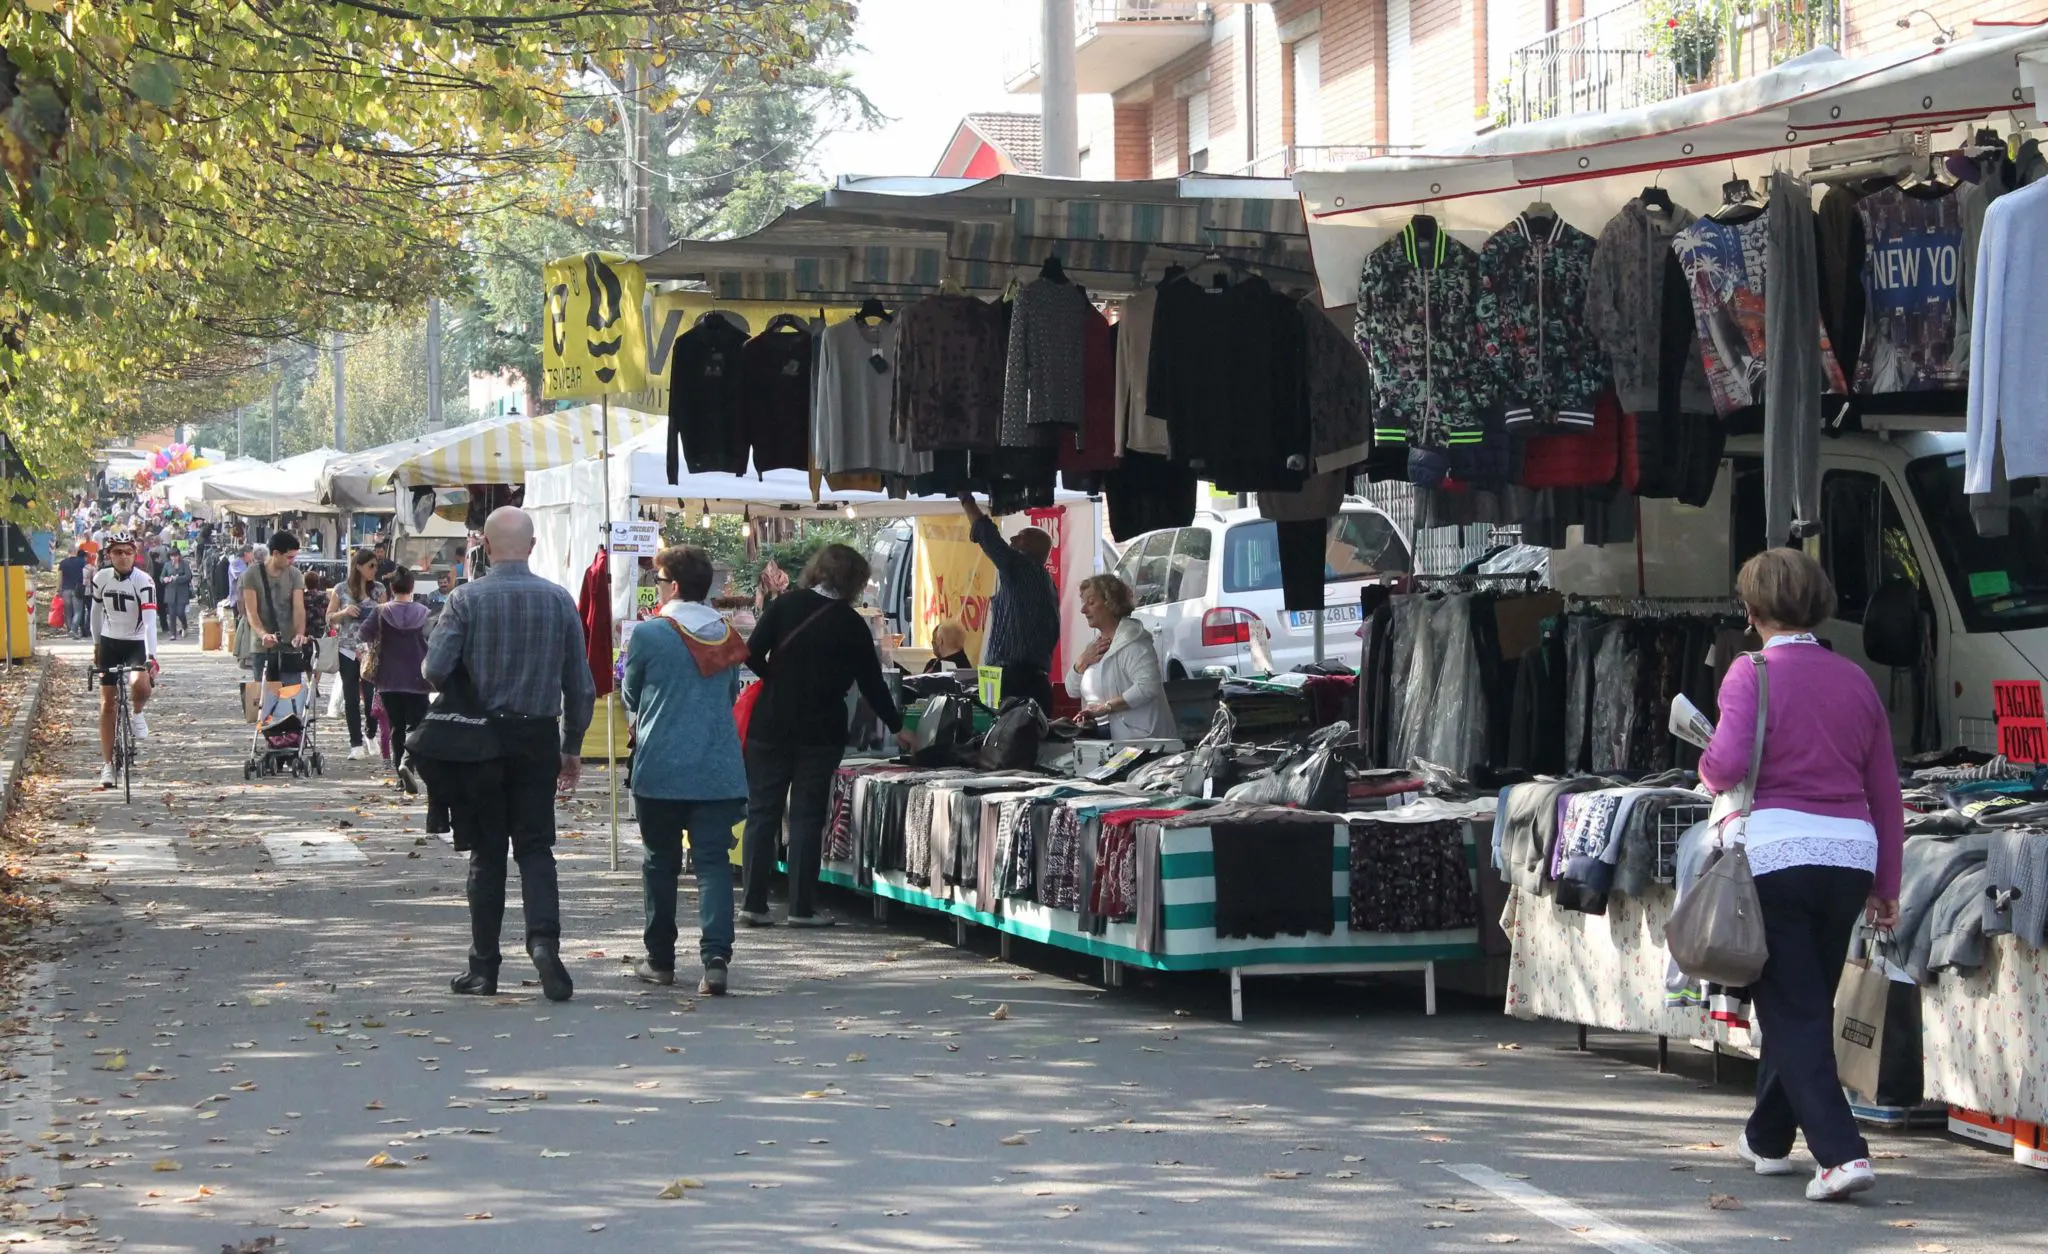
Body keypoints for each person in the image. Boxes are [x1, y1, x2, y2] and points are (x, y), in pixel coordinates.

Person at [1699, 548, 1905, 1203]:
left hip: (1775, 856)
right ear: (1819, 603)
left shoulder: (1748, 673)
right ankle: (1766, 1138)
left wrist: (1705, 763)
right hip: (1849, 857)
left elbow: (1725, 766)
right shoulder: (1856, 680)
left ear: (1751, 611)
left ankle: (1842, 1155)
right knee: (1803, 998)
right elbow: (1887, 793)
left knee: (1792, 1008)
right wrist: (1887, 886)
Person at [422, 506, 594, 1002]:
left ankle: (484, 967)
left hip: (479, 743)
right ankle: (543, 942)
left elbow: (434, 669)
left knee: (488, 852)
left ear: (485, 548)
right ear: (534, 547)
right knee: (537, 849)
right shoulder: (559, 601)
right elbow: (579, 686)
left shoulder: (465, 600)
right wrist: (573, 746)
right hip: (538, 738)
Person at [738, 544, 915, 928]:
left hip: (771, 723)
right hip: (821, 730)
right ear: (855, 582)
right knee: (806, 816)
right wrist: (899, 727)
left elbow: (750, 652)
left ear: (818, 570)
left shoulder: (784, 606)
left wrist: (776, 679)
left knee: (762, 812)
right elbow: (872, 684)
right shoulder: (851, 624)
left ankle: (753, 902)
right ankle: (801, 907)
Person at [621, 545, 752, 994]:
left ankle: (660, 960)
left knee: (660, 863)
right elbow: (731, 693)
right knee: (713, 864)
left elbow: (631, 694)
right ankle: (716, 959)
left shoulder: (650, 635)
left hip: (661, 766)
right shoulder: (725, 632)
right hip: (716, 767)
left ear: (673, 586)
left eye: (657, 580)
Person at [956, 492, 1060, 717]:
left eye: (1020, 537)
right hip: (1028, 679)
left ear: (1031, 549)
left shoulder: (1021, 568)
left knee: (999, 740)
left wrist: (966, 500)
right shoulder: (1045, 582)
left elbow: (988, 536)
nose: (1012, 540)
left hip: (1013, 680)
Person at [1065, 574, 1171, 741]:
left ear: (1111, 603)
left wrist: (1107, 707)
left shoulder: (1134, 642)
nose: (1083, 610)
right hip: (1102, 736)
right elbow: (1071, 690)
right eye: (1084, 604)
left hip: (1140, 740)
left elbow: (1148, 686)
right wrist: (1082, 661)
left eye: (1091, 603)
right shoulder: (1094, 646)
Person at [89, 533, 157, 789]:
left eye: (128, 552)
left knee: (140, 683)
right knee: (108, 704)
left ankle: (138, 713)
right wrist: (96, 645)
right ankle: (107, 766)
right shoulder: (101, 578)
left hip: (136, 641)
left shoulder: (144, 581)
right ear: (109, 555)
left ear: (134, 553)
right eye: (117, 552)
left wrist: (151, 655)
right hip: (110, 642)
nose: (123, 556)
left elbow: (150, 623)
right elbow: (95, 613)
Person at [362, 566, 432, 795]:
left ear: (391, 588)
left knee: (396, 727)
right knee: (419, 726)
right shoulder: (424, 612)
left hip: (388, 678)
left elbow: (364, 633)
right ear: (412, 588)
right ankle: (408, 763)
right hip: (418, 677)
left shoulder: (381, 612)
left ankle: (399, 775)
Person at [330, 548, 387, 760]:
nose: (375, 570)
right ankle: (355, 743)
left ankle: (371, 733)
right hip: (347, 649)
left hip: (371, 651)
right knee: (351, 697)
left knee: (372, 698)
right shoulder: (340, 589)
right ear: (358, 567)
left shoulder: (379, 589)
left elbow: (387, 616)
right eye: (371, 566)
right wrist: (345, 612)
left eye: (376, 566)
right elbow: (329, 617)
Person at [241, 534, 308, 693]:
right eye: (289, 557)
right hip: (262, 646)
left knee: (290, 697)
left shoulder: (295, 574)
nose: (292, 561)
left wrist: (299, 633)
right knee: (266, 700)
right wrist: (263, 634)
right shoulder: (251, 574)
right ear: (276, 553)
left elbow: (299, 608)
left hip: (290, 646)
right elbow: (251, 611)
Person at [57, 545, 89, 641]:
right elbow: (86, 574)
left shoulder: (63, 563)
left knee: (68, 611)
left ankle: (70, 630)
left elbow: (60, 577)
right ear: (76, 552)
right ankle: (74, 630)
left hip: (65, 590)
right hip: (77, 589)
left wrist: (58, 589)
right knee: (78, 611)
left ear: (68, 552)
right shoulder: (82, 562)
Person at [160, 548, 193, 640]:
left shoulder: (185, 564)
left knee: (180, 612)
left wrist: (177, 578)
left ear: (179, 555)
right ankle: (173, 633)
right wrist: (164, 579)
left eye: (175, 555)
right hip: (170, 591)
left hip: (182, 591)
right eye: (171, 556)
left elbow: (188, 576)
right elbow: (161, 576)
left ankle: (184, 625)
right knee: (172, 614)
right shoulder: (167, 565)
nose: (173, 558)